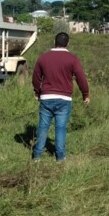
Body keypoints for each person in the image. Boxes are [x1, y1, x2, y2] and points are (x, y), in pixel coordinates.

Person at [31, 32, 90, 162]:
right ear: (68, 43)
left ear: (54, 41)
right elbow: (81, 77)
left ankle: (36, 156)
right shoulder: (72, 59)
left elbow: (36, 77)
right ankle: (60, 157)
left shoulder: (43, 58)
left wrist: (37, 92)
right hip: (64, 99)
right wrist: (85, 94)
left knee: (43, 126)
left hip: (46, 97)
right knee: (61, 128)